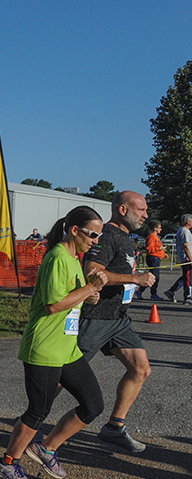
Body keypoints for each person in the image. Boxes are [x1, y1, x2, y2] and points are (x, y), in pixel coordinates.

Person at [0, 207, 107, 479]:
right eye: (93, 234)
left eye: (99, 236)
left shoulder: (74, 258)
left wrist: (88, 296)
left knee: (93, 405)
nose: (96, 241)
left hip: (67, 349)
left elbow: (71, 297)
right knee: (38, 411)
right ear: (75, 230)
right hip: (44, 348)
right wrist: (89, 288)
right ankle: (7, 463)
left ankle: (46, 448)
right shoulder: (57, 256)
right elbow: (53, 304)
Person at [77, 191, 154, 453]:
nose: (145, 214)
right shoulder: (107, 236)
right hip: (96, 318)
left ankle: (114, 428)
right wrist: (136, 279)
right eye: (141, 210)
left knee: (141, 368)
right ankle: (31, 423)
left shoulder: (127, 238)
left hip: (118, 319)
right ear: (123, 210)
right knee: (65, 376)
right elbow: (92, 271)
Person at [163, 214, 192, 303]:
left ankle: (171, 291)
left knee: (187, 276)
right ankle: (187, 296)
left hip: (186, 257)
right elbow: (186, 246)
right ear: (188, 221)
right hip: (186, 257)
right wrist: (190, 259)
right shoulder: (184, 231)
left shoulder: (185, 231)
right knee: (187, 277)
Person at [138, 221, 166, 300]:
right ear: (155, 228)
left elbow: (158, 247)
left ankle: (141, 291)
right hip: (153, 258)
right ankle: (152, 294)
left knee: (154, 277)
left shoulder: (156, 237)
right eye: (159, 227)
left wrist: (163, 253)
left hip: (157, 257)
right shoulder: (152, 236)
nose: (161, 229)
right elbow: (149, 248)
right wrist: (159, 249)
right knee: (154, 277)